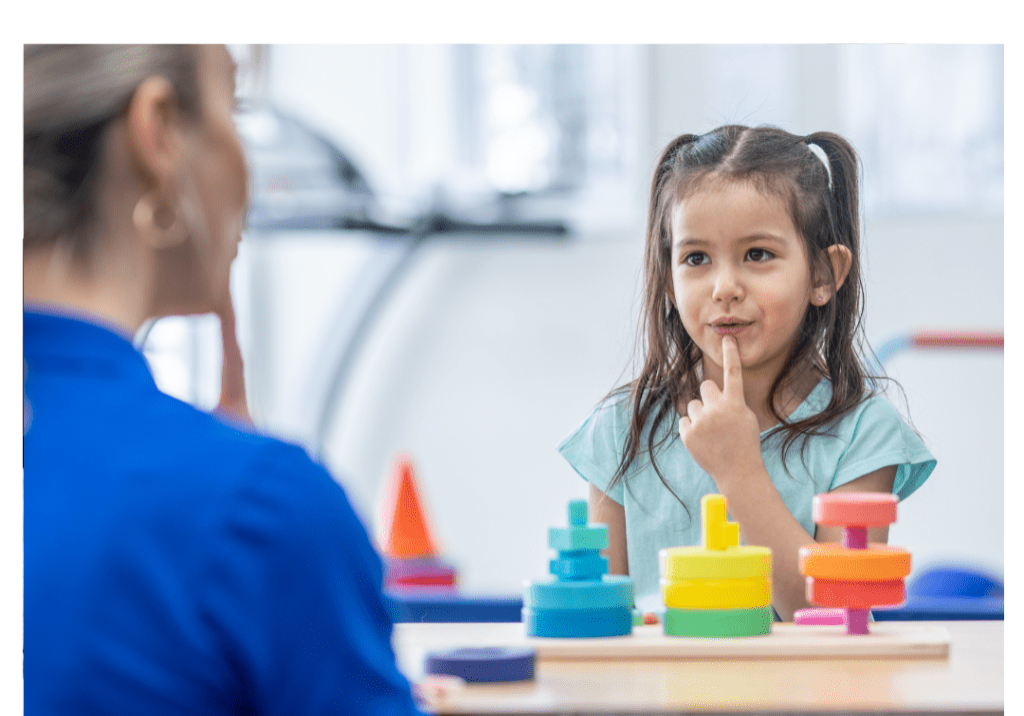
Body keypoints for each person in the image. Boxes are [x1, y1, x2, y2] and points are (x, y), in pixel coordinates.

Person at [24, 45, 423, 715]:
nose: (246, 165)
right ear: (157, 133)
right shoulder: (256, 511)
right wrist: (245, 502)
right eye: (230, 108)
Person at [557, 125, 936, 621]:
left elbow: (838, 615)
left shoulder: (864, 435)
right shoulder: (620, 428)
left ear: (824, 275)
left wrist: (738, 471)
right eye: (696, 258)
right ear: (667, 280)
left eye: (758, 255)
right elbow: (599, 617)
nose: (724, 287)